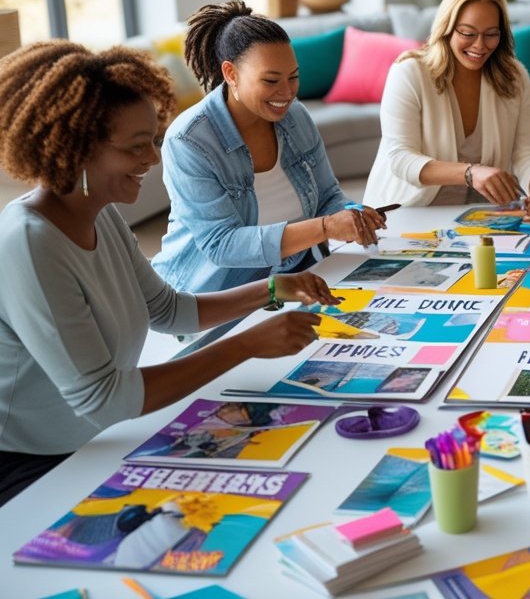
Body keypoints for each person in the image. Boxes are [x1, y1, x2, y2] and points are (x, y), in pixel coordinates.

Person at [0, 42, 337, 506]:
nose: (154, 159)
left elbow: (167, 309)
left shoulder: (101, 213)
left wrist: (273, 289)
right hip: (32, 464)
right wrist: (248, 344)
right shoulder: (29, 242)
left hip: (97, 440)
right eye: (138, 146)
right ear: (76, 148)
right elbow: (103, 398)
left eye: (154, 140)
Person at [153, 0, 384, 294]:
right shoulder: (188, 141)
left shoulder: (295, 116)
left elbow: (328, 196)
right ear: (231, 74)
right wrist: (326, 227)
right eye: (271, 80)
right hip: (211, 298)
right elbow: (222, 244)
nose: (287, 93)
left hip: (296, 279)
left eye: (294, 77)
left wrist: (352, 215)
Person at [364, 0, 530, 213]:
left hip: (478, 215)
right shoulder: (409, 72)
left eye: (491, 34)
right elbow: (401, 159)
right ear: (447, 28)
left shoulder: (515, 76)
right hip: (406, 211)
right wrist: (470, 173)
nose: (480, 46)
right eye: (468, 33)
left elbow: (529, 150)